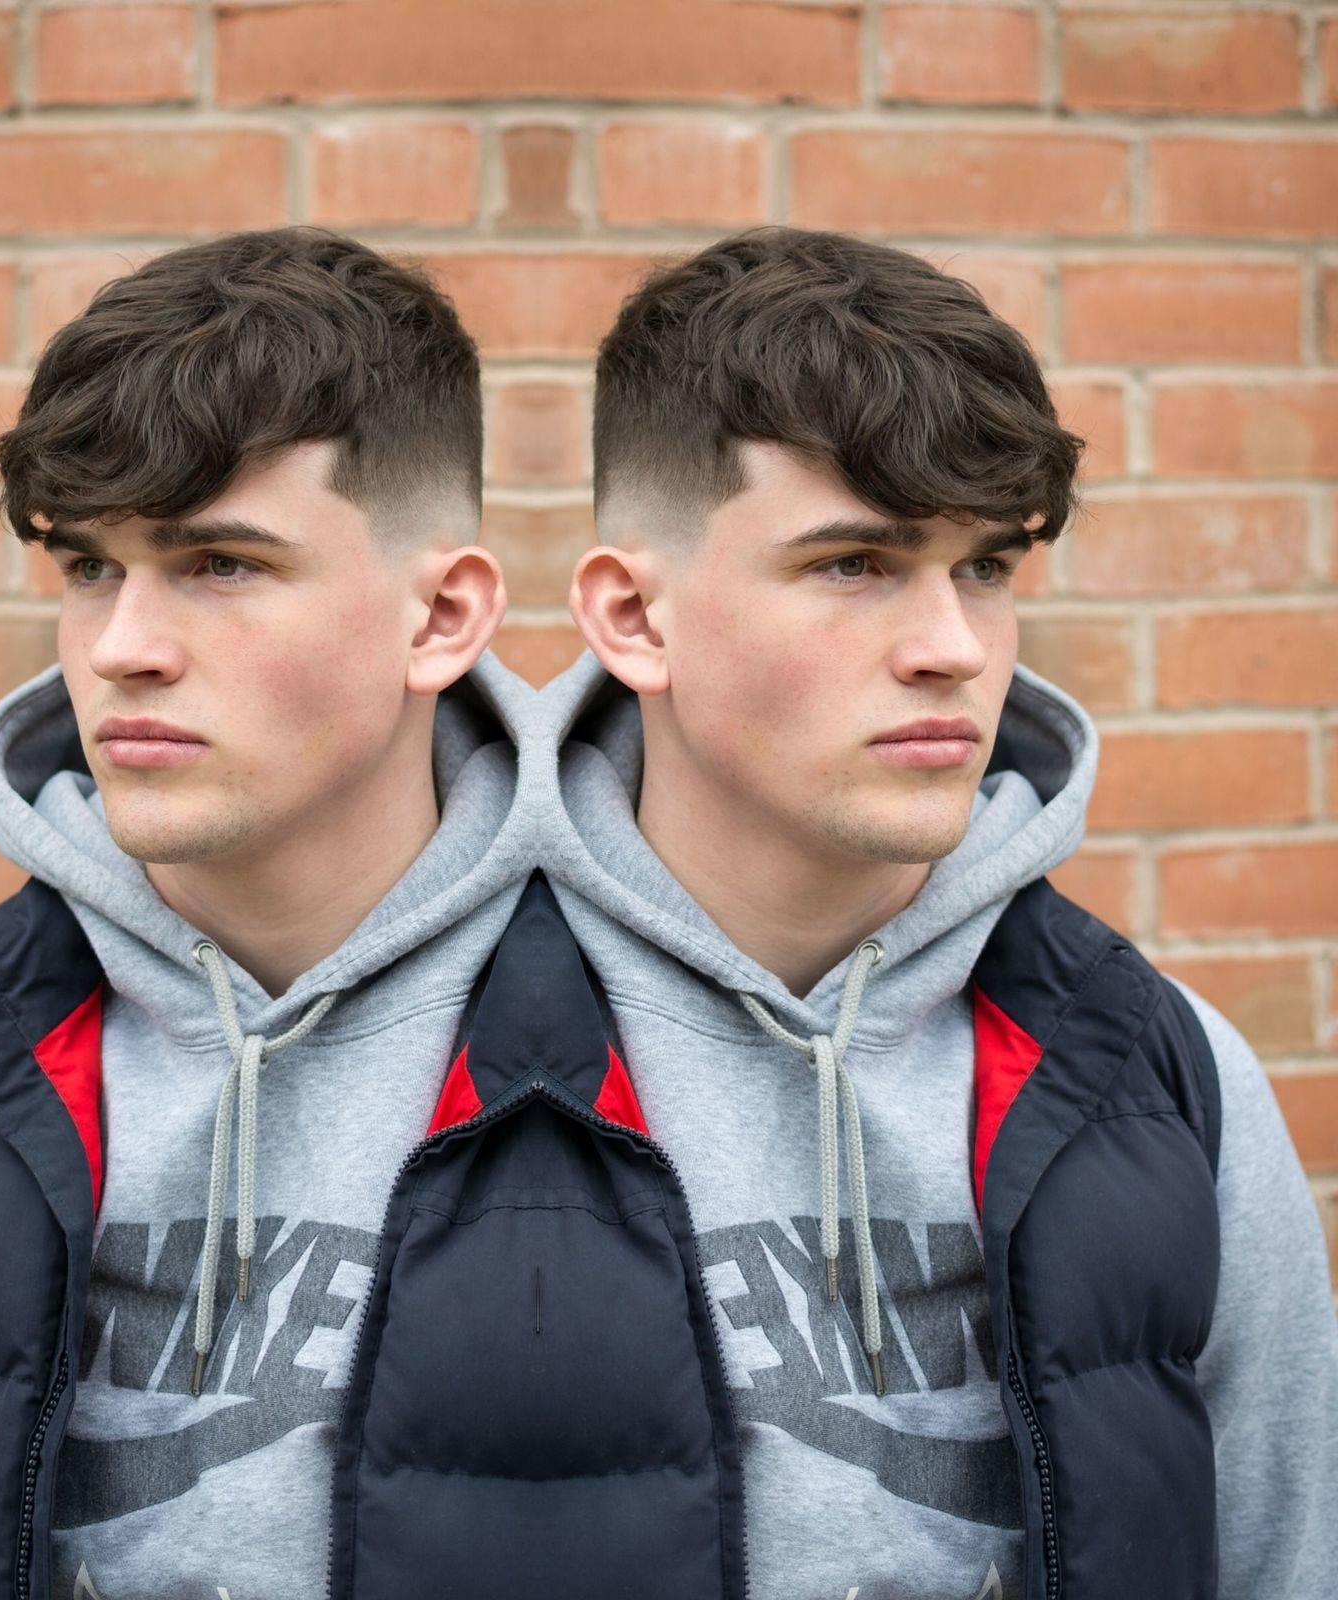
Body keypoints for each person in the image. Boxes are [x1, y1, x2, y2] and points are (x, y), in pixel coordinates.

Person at [533, 226, 1338, 1599]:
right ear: (636, 617)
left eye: (986, 568)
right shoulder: (439, 1040)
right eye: (856, 563)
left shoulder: (1163, 1074)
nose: (954, 648)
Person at [0, 228, 540, 1599]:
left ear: (439, 617)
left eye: (219, 563)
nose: (121, 648)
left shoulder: (636, 1042)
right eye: (89, 568)